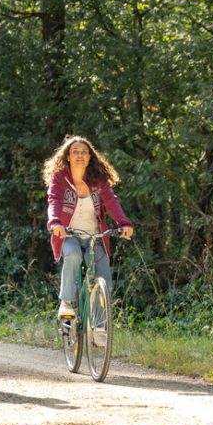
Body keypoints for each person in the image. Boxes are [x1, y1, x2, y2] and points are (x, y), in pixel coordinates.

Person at [44, 135, 134, 318]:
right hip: (68, 234)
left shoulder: (97, 179)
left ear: (90, 156)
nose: (80, 155)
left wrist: (123, 223)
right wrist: (55, 222)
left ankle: (99, 326)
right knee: (74, 254)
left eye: (84, 152)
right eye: (75, 152)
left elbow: (111, 201)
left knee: (104, 280)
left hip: (95, 236)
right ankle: (67, 303)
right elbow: (54, 200)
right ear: (67, 156)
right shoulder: (60, 178)